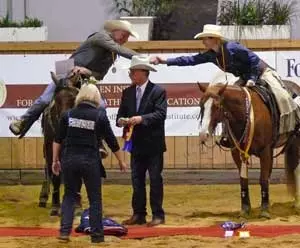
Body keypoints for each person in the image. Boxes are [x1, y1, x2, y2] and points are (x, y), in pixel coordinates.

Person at [150, 24, 300, 146]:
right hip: (244, 77)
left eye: (205, 39)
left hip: (262, 73)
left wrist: (253, 78)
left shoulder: (233, 48)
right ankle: (228, 135)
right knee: (229, 102)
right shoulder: (211, 54)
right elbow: (190, 60)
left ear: (214, 39)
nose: (203, 42)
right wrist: (164, 61)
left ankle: (294, 125)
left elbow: (253, 59)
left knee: (282, 96)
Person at [9, 19, 139, 138]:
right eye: (124, 35)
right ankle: (22, 122)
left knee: (101, 106)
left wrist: (85, 70)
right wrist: (144, 58)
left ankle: (98, 141)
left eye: (127, 37)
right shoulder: (101, 37)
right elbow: (120, 49)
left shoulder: (113, 54)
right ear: (114, 31)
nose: (125, 39)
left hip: (86, 78)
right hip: (66, 69)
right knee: (45, 99)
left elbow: (100, 75)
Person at [52, 83, 127, 243]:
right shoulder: (99, 115)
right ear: (96, 98)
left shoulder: (68, 114)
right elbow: (111, 141)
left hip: (69, 159)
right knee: (95, 199)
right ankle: (97, 236)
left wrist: (55, 160)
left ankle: (64, 232)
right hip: (90, 160)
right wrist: (121, 160)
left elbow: (57, 139)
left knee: (69, 196)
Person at [117, 55, 167, 227]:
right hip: (135, 144)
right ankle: (138, 214)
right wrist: (122, 121)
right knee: (136, 180)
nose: (131, 74)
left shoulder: (158, 91)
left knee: (155, 179)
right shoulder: (127, 92)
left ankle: (158, 215)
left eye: (133, 71)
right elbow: (119, 115)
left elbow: (161, 115)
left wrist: (140, 119)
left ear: (143, 72)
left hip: (153, 145)